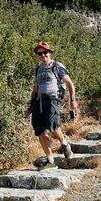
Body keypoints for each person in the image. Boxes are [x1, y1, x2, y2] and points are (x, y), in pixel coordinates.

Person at [23, 41, 78, 171]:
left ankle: (65, 144)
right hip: (38, 102)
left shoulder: (57, 66)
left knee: (52, 125)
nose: (43, 55)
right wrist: (30, 108)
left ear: (50, 53)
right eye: (40, 53)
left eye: (45, 52)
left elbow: (69, 83)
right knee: (40, 130)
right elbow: (35, 90)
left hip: (53, 99)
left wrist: (73, 99)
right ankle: (50, 160)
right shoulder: (38, 69)